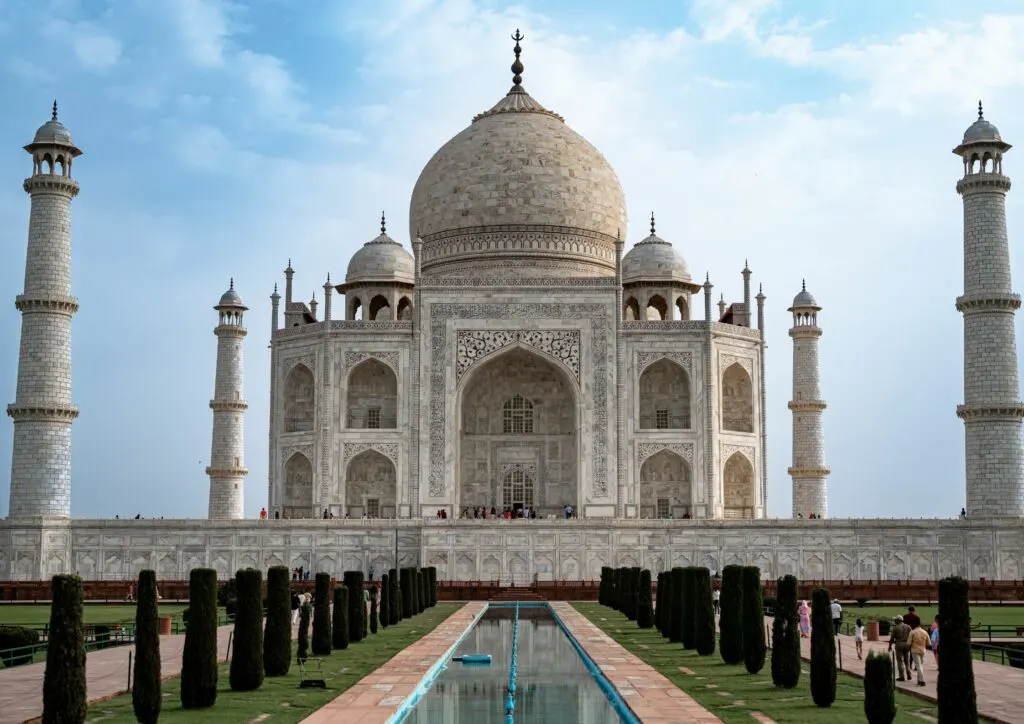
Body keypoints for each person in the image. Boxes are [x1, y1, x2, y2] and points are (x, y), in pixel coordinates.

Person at [888, 615, 912, 681]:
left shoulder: (895, 628)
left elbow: (892, 638)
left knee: (900, 661)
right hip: (907, 644)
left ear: (898, 620)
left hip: (899, 644)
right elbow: (911, 636)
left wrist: (889, 646)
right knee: (907, 660)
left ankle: (902, 676)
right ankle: (909, 674)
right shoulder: (908, 626)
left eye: (895, 620)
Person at [908, 621, 930, 686]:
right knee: (920, 665)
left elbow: (908, 643)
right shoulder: (924, 632)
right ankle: (919, 680)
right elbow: (928, 643)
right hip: (923, 650)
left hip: (915, 650)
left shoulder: (912, 632)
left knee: (918, 665)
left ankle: (922, 680)